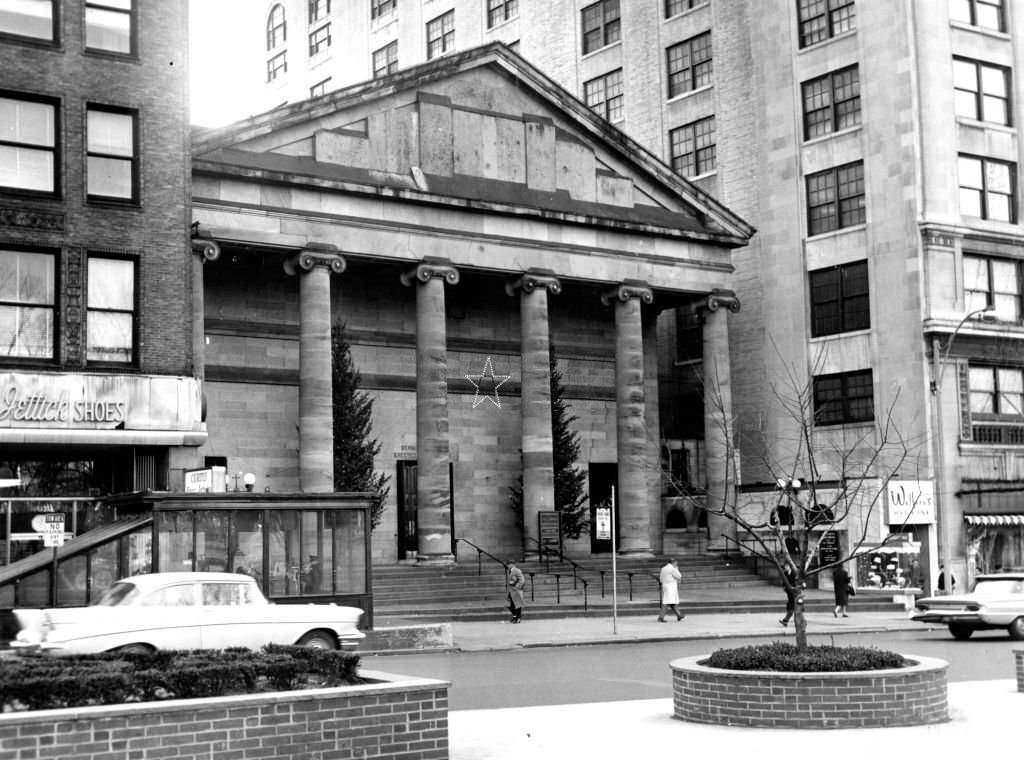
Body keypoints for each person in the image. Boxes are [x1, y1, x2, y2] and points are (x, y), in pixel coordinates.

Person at [657, 558, 684, 622]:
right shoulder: (672, 568)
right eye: (676, 563)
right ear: (673, 563)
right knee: (667, 602)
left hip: (665, 586)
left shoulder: (663, 568)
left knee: (672, 601)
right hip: (671, 587)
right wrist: (676, 568)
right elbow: (679, 576)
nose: (676, 564)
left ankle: (679, 615)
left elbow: (661, 579)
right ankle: (661, 617)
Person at [779, 561, 801, 626]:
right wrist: (784, 587)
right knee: (791, 606)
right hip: (789, 593)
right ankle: (787, 621)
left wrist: (793, 587)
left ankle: (786, 620)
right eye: (785, 566)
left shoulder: (795, 572)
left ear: (790, 566)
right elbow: (784, 581)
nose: (785, 567)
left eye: (787, 566)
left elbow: (798, 582)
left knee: (793, 607)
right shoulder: (785, 573)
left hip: (795, 592)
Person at [506, 559, 525, 623]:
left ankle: (518, 618)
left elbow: (522, 580)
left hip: (516, 590)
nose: (508, 565)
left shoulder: (516, 570)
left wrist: (517, 587)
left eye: (509, 564)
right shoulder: (510, 571)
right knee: (511, 605)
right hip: (511, 591)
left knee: (517, 604)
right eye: (508, 564)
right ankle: (515, 617)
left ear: (513, 564)